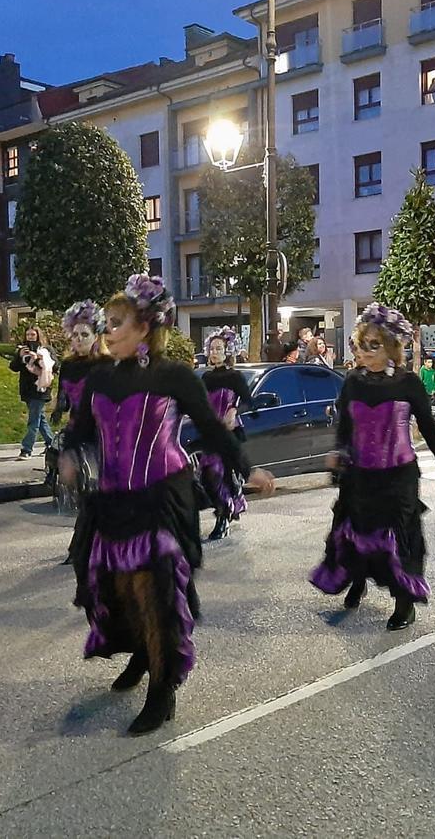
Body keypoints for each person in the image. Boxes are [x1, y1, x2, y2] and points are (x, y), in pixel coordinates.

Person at [63, 274, 275, 735]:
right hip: (113, 501)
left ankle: (164, 687)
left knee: (157, 592)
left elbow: (213, 428)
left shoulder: (174, 376)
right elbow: (79, 428)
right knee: (117, 589)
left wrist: (246, 468)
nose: (107, 331)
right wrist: (67, 456)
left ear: (144, 326)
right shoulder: (100, 376)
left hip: (161, 496)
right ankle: (142, 652)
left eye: (116, 323)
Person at [310, 304, 435, 629]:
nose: (367, 351)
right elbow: (345, 426)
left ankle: (404, 603)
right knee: (356, 531)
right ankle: (357, 579)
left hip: (399, 474)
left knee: (399, 537)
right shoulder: (352, 382)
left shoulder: (409, 383)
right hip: (360, 474)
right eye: (363, 344)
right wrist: (338, 452)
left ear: (391, 347)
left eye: (376, 344)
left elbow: (428, 425)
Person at [51, 300, 109, 565]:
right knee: (85, 493)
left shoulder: (107, 364)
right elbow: (64, 400)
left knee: (100, 493)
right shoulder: (69, 365)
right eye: (74, 335)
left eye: (84, 334)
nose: (78, 339)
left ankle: (85, 546)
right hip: (78, 433)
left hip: (104, 435)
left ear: (96, 336)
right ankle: (83, 546)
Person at [199, 327, 253, 543]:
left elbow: (248, 400)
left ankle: (224, 517)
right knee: (207, 474)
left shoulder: (235, 376)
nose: (214, 352)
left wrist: (233, 410)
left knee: (220, 473)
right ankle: (227, 508)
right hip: (211, 432)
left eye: (219, 348)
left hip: (230, 431)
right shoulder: (205, 377)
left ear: (227, 351)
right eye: (212, 348)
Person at [9, 325, 55, 460]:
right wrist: (20, 356)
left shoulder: (45, 350)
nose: (30, 337)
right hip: (27, 388)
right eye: (28, 335)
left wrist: (40, 359)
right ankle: (52, 444)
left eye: (33, 335)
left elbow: (54, 366)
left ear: (38, 336)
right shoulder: (22, 349)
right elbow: (13, 367)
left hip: (40, 388)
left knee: (33, 420)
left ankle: (26, 449)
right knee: (39, 418)